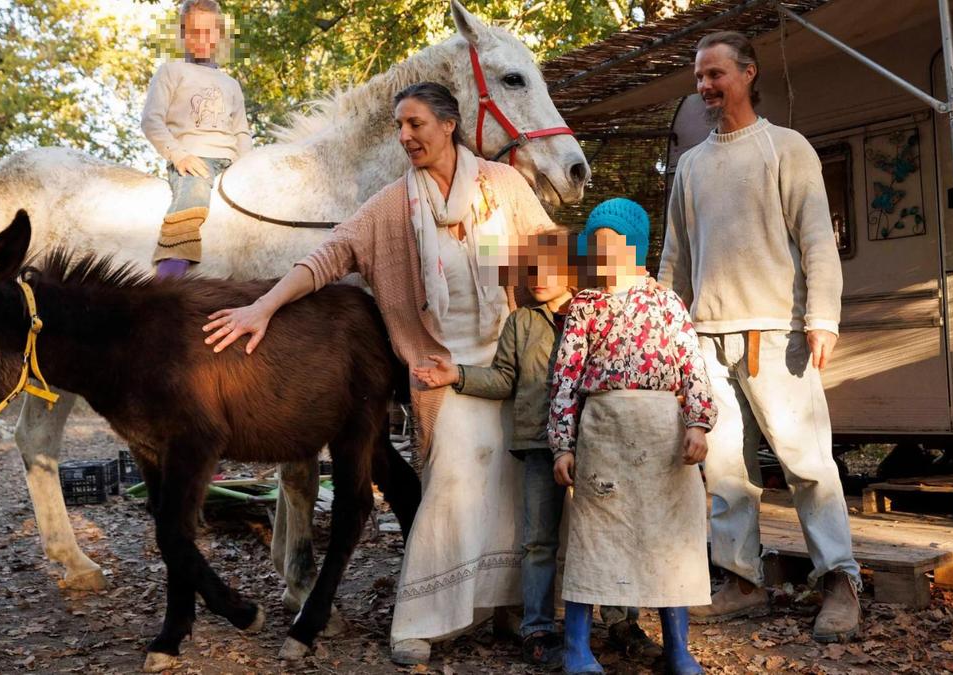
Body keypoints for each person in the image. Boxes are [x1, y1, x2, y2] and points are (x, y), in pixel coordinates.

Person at [202, 82, 555, 665]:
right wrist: (262, 306)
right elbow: (328, 256)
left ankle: (502, 606)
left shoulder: (504, 185)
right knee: (452, 483)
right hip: (440, 366)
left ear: (449, 124)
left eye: (415, 124)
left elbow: (551, 251)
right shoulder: (394, 205)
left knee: (512, 487)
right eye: (399, 126)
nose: (405, 136)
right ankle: (425, 616)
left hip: (512, 356)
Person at [658, 31, 861, 642]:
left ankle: (840, 581)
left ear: (748, 74)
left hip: (777, 334)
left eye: (715, 74)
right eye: (699, 77)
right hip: (705, 340)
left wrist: (821, 317)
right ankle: (742, 581)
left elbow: (817, 242)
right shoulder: (691, 165)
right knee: (723, 469)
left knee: (806, 463)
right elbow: (674, 260)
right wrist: (668, 332)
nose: (705, 87)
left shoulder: (785, 148)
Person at [411, 228, 658, 667]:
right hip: (539, 443)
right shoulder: (521, 323)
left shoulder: (598, 312)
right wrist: (457, 375)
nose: (538, 277)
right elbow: (504, 378)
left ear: (572, 270)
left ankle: (622, 623)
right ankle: (538, 629)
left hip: (599, 441)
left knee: (611, 535)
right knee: (538, 542)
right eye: (531, 270)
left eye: (549, 268)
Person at [549, 198, 715, 675]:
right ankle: (578, 647)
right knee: (594, 535)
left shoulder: (667, 302)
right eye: (593, 246)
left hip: (663, 438)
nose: (597, 256)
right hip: (603, 434)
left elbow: (692, 367)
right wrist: (562, 443)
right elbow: (565, 377)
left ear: (634, 249)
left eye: (607, 245)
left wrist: (698, 423)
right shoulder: (584, 306)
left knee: (670, 535)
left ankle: (678, 647)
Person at [141, 0, 252, 278]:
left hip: (231, 162)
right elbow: (151, 120)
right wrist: (178, 155)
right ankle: (168, 278)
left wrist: (248, 166)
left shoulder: (231, 84)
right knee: (195, 194)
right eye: (193, 32)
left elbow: (241, 131)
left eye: (207, 32)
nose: (201, 39)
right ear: (182, 34)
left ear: (218, 35)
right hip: (193, 160)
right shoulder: (171, 72)